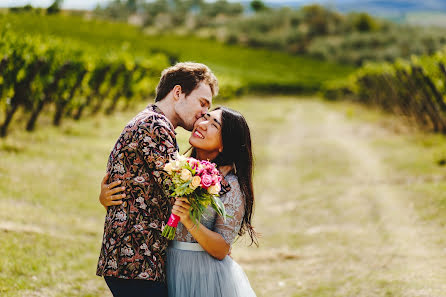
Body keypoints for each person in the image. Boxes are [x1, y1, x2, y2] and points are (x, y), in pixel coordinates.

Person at [100, 107, 258, 297]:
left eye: (213, 124)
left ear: (225, 144)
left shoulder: (230, 185)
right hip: (169, 268)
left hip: (204, 277)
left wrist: (189, 221)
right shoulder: (178, 167)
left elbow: (222, 249)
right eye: (205, 117)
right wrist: (107, 199)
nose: (202, 124)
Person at [96, 62, 219, 297]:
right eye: (202, 103)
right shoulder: (155, 125)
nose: (204, 112)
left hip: (134, 260)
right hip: (135, 261)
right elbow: (177, 191)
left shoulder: (153, 121)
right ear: (177, 92)